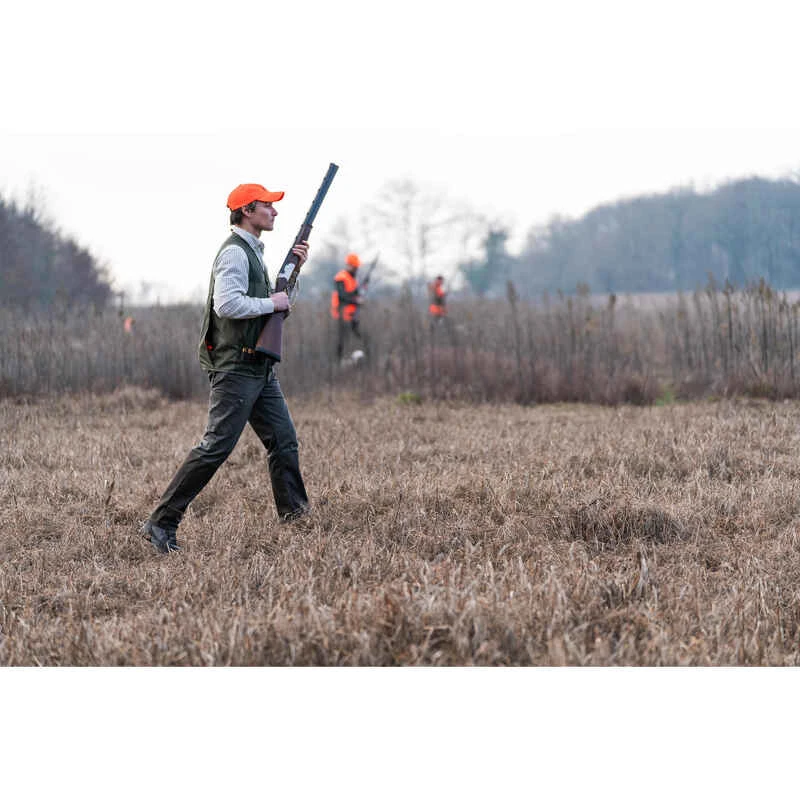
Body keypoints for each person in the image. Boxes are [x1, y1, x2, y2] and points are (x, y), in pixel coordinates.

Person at [140, 183, 310, 554]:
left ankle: (296, 518)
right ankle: (160, 521)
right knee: (215, 447)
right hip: (235, 367)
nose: (274, 212)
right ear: (247, 211)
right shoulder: (234, 254)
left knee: (284, 441)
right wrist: (272, 301)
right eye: (268, 206)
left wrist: (292, 277)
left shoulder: (254, 253)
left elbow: (277, 306)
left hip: (259, 367)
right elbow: (228, 305)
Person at [331, 252, 365, 361]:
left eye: (357, 267)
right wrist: (356, 302)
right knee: (343, 340)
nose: (356, 269)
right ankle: (339, 362)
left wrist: (359, 292)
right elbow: (342, 296)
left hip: (351, 314)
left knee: (358, 337)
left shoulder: (352, 278)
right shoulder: (341, 277)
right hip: (342, 313)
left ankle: (357, 360)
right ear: (349, 265)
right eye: (355, 267)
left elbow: (352, 293)